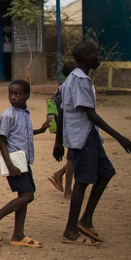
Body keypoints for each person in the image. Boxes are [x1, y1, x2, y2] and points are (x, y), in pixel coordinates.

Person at [56, 41, 131, 245]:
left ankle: (86, 219)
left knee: (106, 172)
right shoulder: (80, 80)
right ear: (86, 58)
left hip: (88, 136)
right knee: (82, 182)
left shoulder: (73, 79)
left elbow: (63, 109)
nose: (99, 58)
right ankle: (70, 231)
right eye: (96, 54)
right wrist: (120, 137)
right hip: (83, 138)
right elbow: (90, 114)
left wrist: (59, 140)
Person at [0, 80, 50, 248]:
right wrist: (10, 165)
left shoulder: (25, 114)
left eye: (17, 95)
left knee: (23, 197)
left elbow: (22, 133)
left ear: (27, 96)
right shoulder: (8, 115)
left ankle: (18, 235)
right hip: (15, 163)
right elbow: (2, 141)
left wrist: (40, 131)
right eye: (10, 94)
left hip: (24, 161)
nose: (13, 97)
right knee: (28, 195)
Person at [46, 62, 79, 197]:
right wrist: (58, 140)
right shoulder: (69, 88)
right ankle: (68, 190)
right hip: (71, 127)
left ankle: (60, 174)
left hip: (70, 127)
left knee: (78, 156)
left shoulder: (62, 87)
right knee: (73, 157)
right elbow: (64, 112)